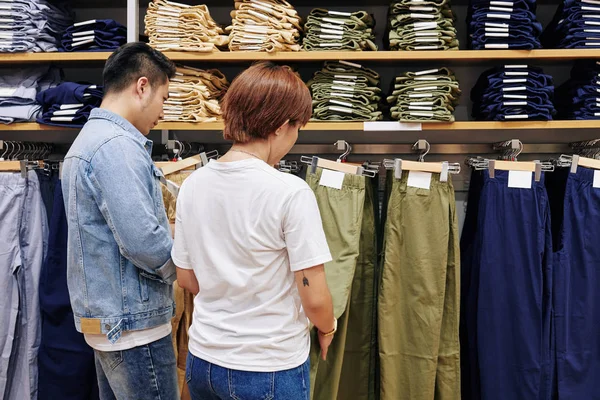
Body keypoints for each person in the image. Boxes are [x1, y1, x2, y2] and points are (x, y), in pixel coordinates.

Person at [173, 62, 337, 400]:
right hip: (268, 366)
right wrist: (327, 326)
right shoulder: (290, 192)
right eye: (297, 127)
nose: (296, 136)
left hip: (204, 360)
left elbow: (187, 279)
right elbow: (315, 296)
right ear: (280, 126)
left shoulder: (193, 183)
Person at [61, 42, 179, 399]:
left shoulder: (88, 141)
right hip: (134, 325)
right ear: (142, 86)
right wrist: (185, 269)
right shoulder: (116, 145)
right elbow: (141, 239)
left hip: (111, 321)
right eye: (163, 97)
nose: (163, 111)